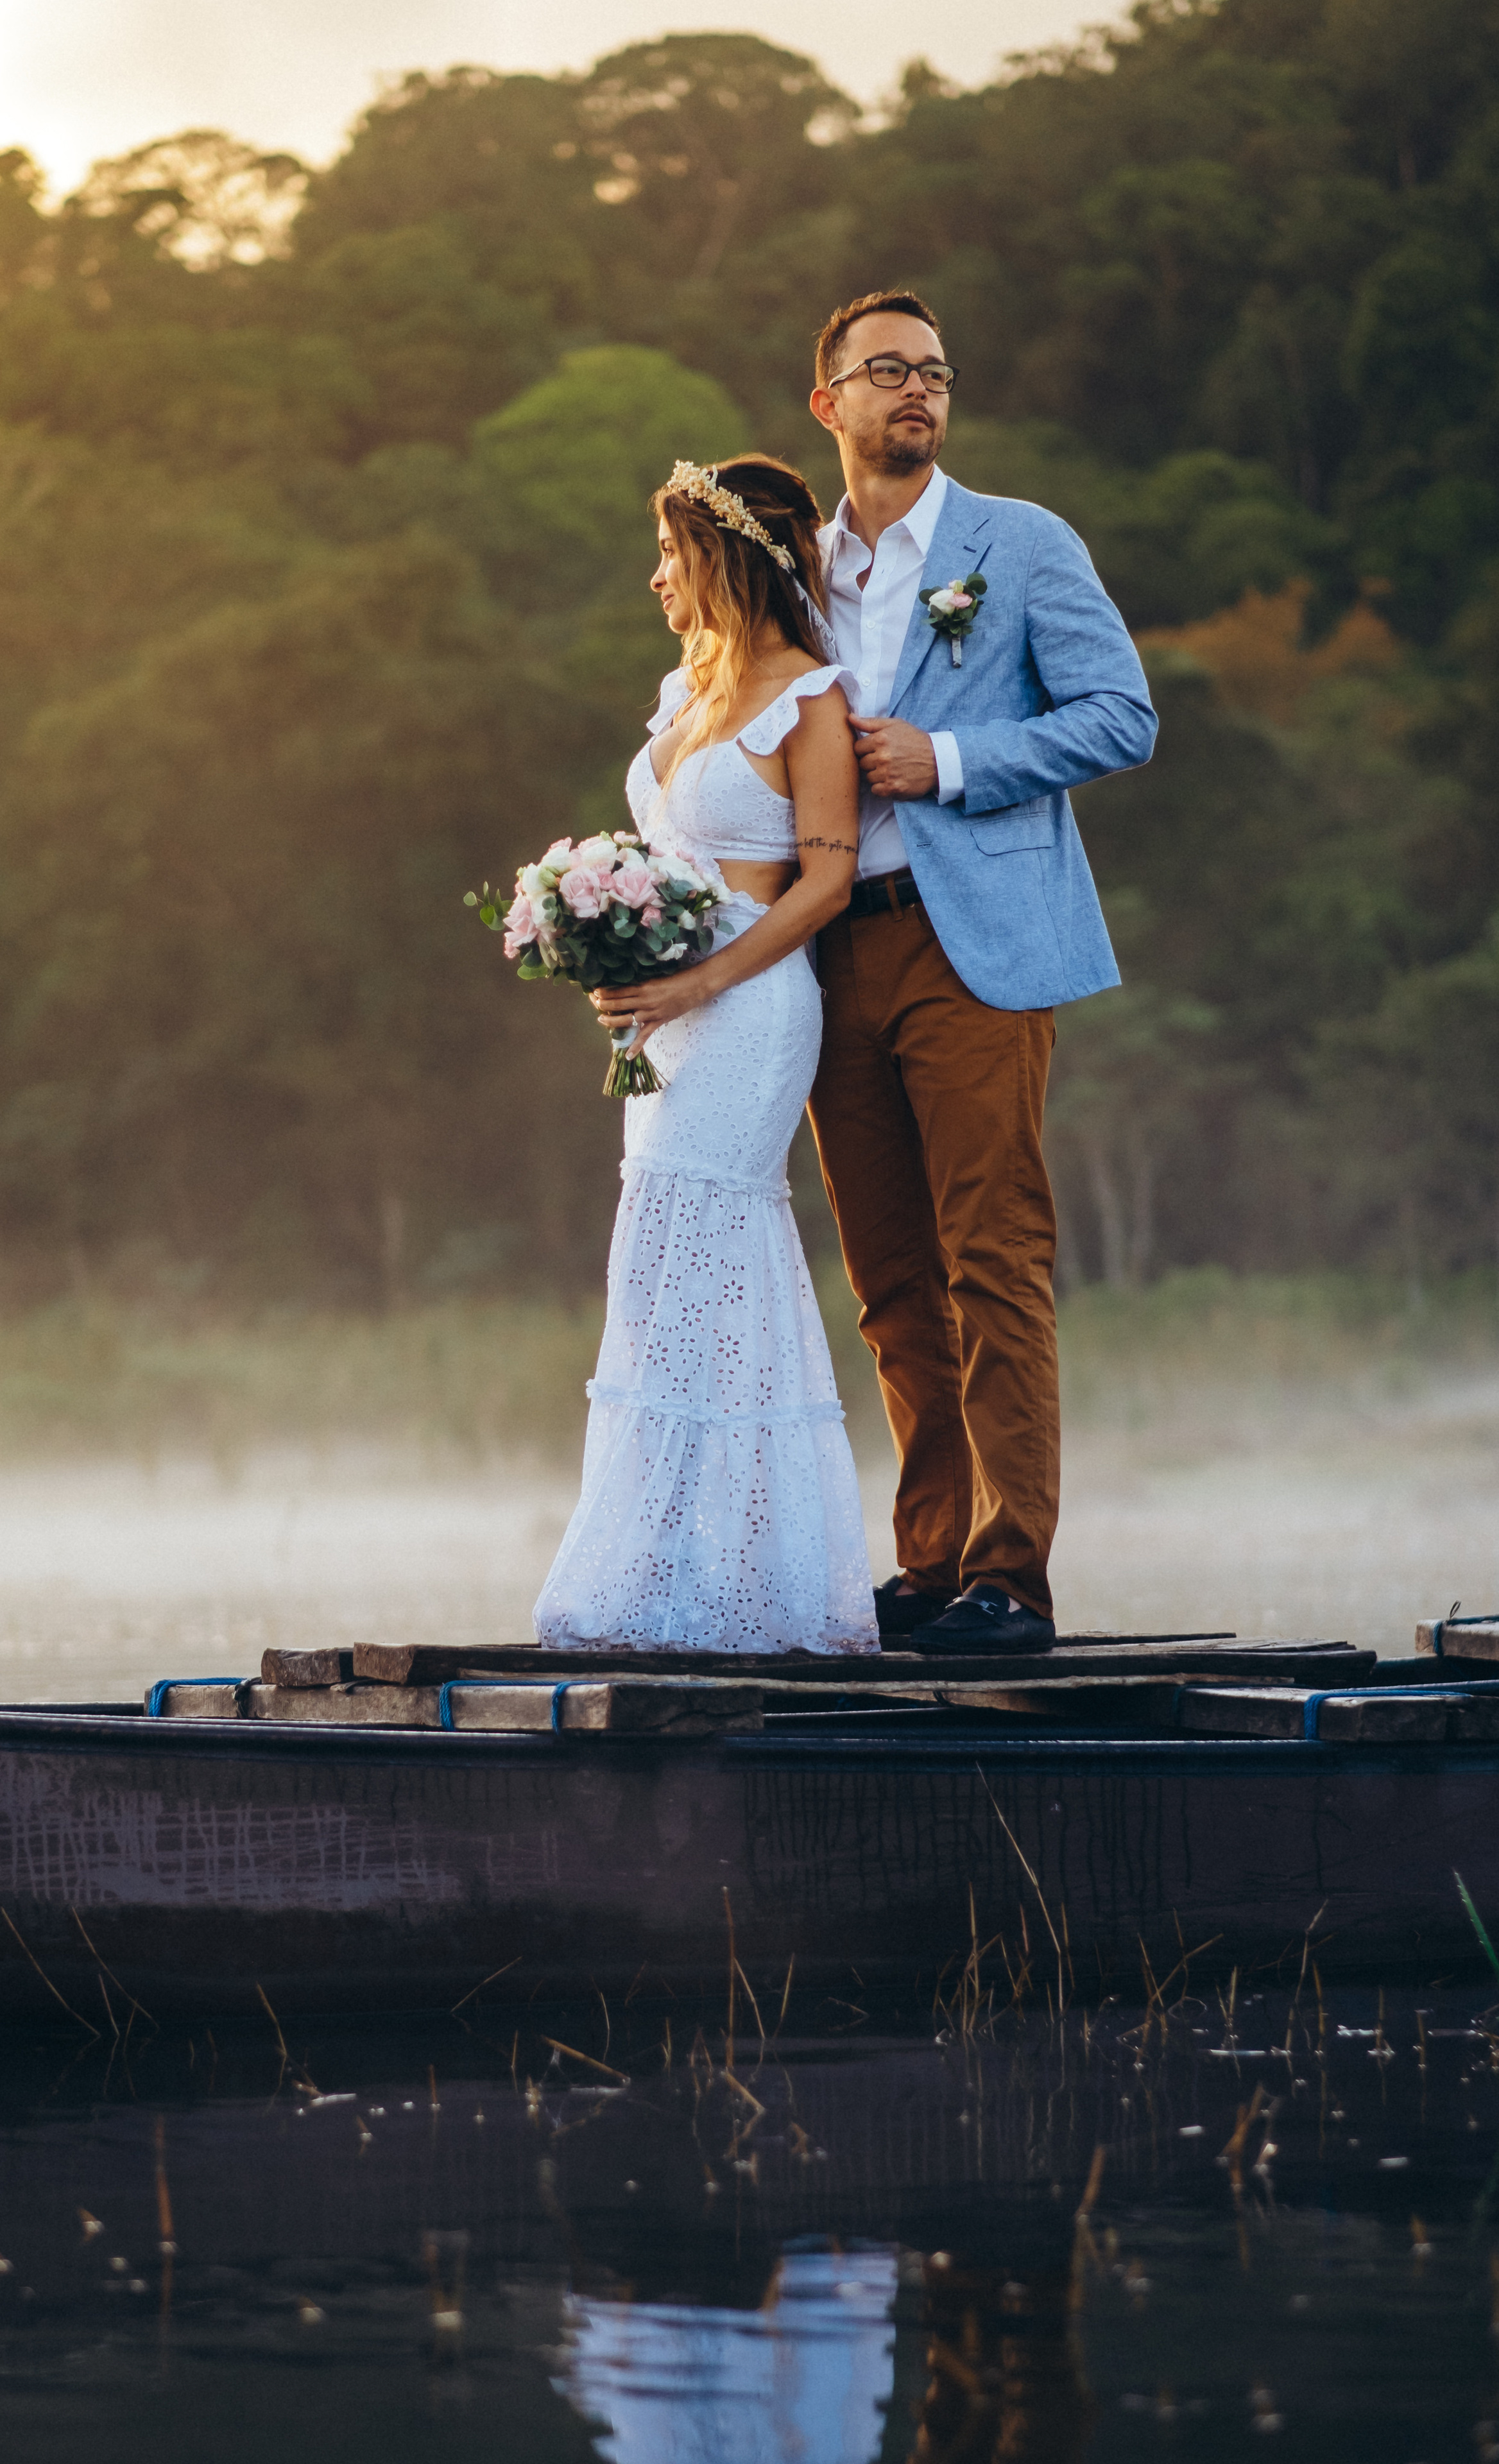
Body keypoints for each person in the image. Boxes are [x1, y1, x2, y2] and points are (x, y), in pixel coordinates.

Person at [806, 289, 1158, 1654]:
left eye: (936, 372)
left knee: (991, 1261)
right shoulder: (796, 567)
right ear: (826, 402)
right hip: (834, 954)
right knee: (891, 1281)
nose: (917, 391)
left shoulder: (1018, 542)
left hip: (977, 950)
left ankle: (1011, 1576)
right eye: (886, 371)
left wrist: (945, 761)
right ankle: (929, 1562)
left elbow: (1119, 715)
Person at [533, 455, 878, 1654]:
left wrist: (698, 977)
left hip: (751, 1008)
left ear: (726, 556)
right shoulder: (681, 693)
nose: (656, 577)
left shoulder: (809, 698)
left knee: (711, 1250)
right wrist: (605, 937)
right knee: (660, 1265)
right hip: (669, 1018)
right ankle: (666, 1563)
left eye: (673, 555)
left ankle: (748, 1583)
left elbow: (828, 876)